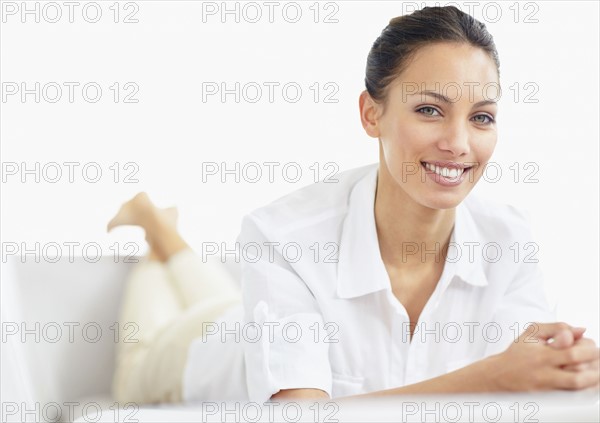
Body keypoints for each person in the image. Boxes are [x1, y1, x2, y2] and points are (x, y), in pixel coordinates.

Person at [108, 5, 600, 406]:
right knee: (142, 360)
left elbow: (528, 392)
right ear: (371, 114)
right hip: (199, 352)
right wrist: (493, 378)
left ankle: (162, 227)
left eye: (482, 117)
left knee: (221, 300)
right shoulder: (283, 235)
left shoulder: (510, 241)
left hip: (251, 313)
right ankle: (153, 225)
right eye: (430, 109)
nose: (458, 142)